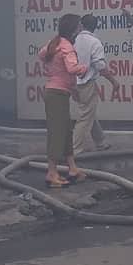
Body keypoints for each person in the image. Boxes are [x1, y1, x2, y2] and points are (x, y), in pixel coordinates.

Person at [39, 14, 89, 189]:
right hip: (57, 94)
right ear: (74, 29)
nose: (81, 29)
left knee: (66, 131)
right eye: (80, 26)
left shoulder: (55, 43)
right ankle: (52, 173)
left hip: (56, 91)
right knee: (57, 133)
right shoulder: (67, 46)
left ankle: (72, 168)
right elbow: (72, 68)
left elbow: (42, 54)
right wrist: (85, 67)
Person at [70, 14, 120, 155]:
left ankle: (100, 142)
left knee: (88, 112)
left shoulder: (73, 40)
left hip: (74, 82)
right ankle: (75, 149)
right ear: (95, 26)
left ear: (81, 25)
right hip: (86, 82)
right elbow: (99, 65)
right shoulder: (94, 42)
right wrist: (113, 81)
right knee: (85, 116)